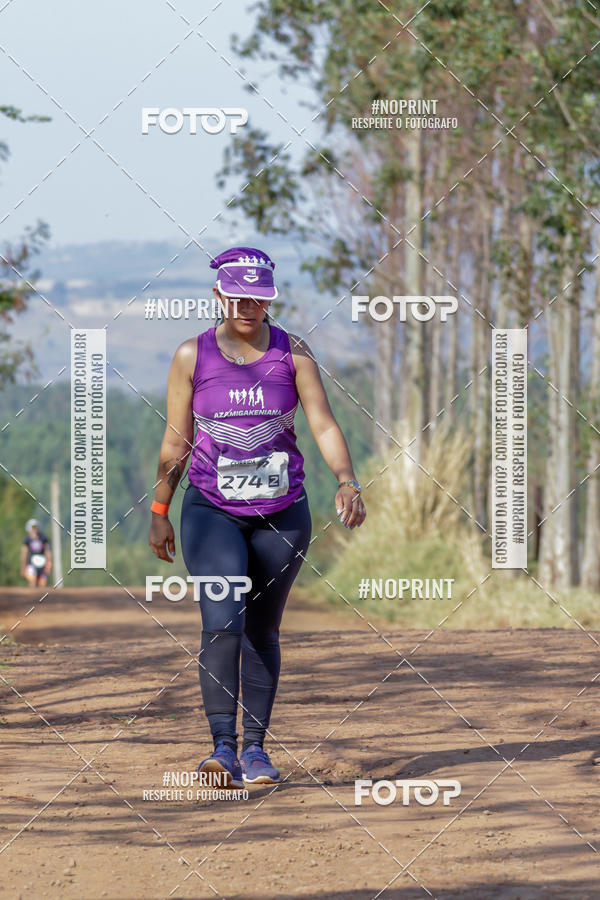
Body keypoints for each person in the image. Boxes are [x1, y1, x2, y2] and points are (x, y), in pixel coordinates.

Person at [148, 246, 366, 788]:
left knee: (262, 629)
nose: (249, 307)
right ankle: (222, 748)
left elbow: (323, 424)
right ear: (219, 295)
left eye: (259, 298)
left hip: (283, 514)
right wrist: (160, 509)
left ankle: (256, 751)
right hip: (211, 511)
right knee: (223, 621)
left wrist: (346, 479)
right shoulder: (191, 355)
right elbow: (176, 441)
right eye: (238, 297)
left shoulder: (294, 354)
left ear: (270, 299)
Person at [21, 519, 52, 587]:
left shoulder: (43, 538)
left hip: (42, 565)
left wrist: (48, 566)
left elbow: (48, 552)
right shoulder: (27, 540)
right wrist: (23, 568)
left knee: (42, 585)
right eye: (33, 527)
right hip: (31, 565)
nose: (35, 529)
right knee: (33, 583)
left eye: (36, 527)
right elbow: (24, 554)